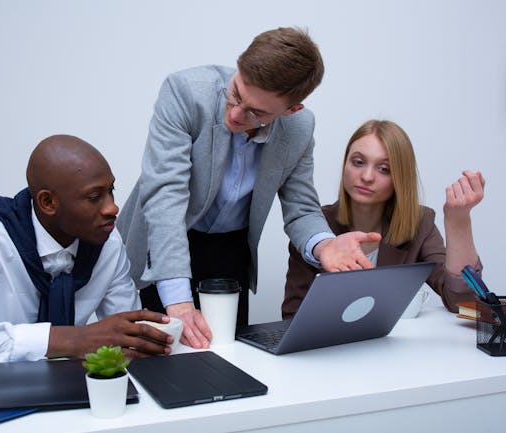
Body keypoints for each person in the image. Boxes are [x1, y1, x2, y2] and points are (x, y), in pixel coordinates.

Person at [116, 27, 380, 349]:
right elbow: (165, 196)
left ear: (291, 109)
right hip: (162, 243)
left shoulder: (299, 127)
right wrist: (180, 303)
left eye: (257, 112)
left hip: (230, 251)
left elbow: (302, 208)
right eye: (236, 93)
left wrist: (325, 246)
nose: (236, 113)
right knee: (152, 358)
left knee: (226, 359)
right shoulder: (184, 92)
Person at [0, 135, 173, 366]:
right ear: (47, 202)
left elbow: (125, 338)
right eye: (94, 197)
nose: (112, 208)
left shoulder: (108, 243)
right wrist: (68, 339)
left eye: (111, 191)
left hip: (59, 393)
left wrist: (149, 340)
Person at [282, 120, 485, 319]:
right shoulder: (313, 228)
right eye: (358, 162)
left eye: (384, 169)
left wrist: (458, 221)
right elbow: (292, 318)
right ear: (345, 163)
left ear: (400, 178)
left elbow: (461, 302)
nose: (367, 176)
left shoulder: (420, 223)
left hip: (392, 350)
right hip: (330, 348)